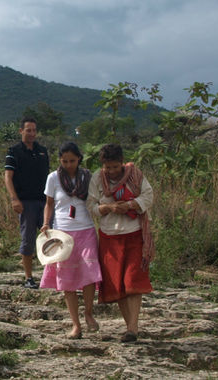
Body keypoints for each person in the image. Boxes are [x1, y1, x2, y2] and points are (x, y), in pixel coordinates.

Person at [88, 143, 154, 343]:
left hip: (134, 234)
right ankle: (129, 328)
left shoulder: (135, 175)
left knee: (133, 280)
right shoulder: (97, 179)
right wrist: (107, 207)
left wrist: (130, 205)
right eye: (108, 167)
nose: (112, 171)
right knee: (118, 283)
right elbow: (91, 205)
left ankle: (133, 328)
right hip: (109, 236)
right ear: (103, 165)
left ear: (122, 163)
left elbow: (148, 196)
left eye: (115, 167)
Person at [40, 142, 101, 339]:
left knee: (90, 273)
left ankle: (89, 312)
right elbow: (49, 203)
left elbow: (95, 200)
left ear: (79, 159)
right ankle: (75, 324)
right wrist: (46, 223)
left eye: (72, 161)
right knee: (66, 280)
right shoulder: (53, 178)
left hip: (86, 229)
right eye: (65, 161)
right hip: (63, 233)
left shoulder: (87, 177)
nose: (68, 164)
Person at [4, 117, 50, 289]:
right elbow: (8, 177)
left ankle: (49, 276)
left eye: (34, 130)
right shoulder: (14, 151)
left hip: (44, 201)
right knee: (28, 240)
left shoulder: (43, 151)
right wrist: (14, 198)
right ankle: (29, 277)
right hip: (25, 202)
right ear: (21, 131)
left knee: (50, 237)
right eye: (28, 130)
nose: (31, 133)